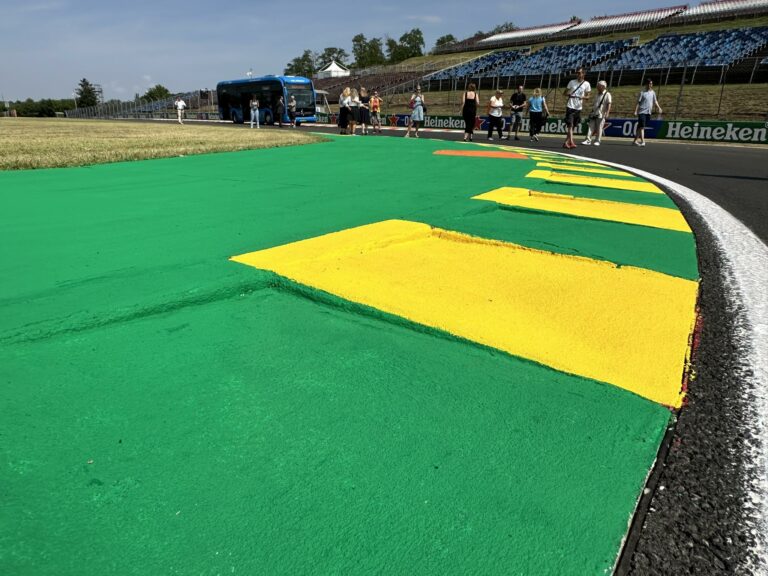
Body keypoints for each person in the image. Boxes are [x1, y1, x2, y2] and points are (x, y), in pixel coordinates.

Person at [562, 67, 591, 149]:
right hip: (570, 106)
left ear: (583, 74)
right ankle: (571, 142)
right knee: (570, 125)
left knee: (573, 126)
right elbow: (564, 93)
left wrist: (583, 97)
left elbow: (588, 96)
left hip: (578, 107)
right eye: (577, 73)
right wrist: (569, 94)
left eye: (579, 73)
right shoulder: (572, 82)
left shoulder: (587, 84)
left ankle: (565, 142)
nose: (578, 74)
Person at [633, 78, 662, 147]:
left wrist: (659, 107)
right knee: (642, 127)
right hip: (642, 112)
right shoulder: (642, 92)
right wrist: (635, 111)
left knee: (640, 127)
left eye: (651, 83)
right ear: (646, 84)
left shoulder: (653, 92)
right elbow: (638, 103)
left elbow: (655, 101)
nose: (650, 85)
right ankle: (643, 141)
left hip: (648, 112)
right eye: (649, 83)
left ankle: (635, 141)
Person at [583, 80, 612, 146]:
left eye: (598, 86)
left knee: (599, 128)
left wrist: (607, 113)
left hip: (601, 114)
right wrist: (591, 111)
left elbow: (609, 104)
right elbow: (595, 104)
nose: (597, 87)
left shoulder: (607, 94)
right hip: (594, 113)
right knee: (590, 126)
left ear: (603, 86)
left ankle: (597, 140)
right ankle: (588, 140)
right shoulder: (597, 94)